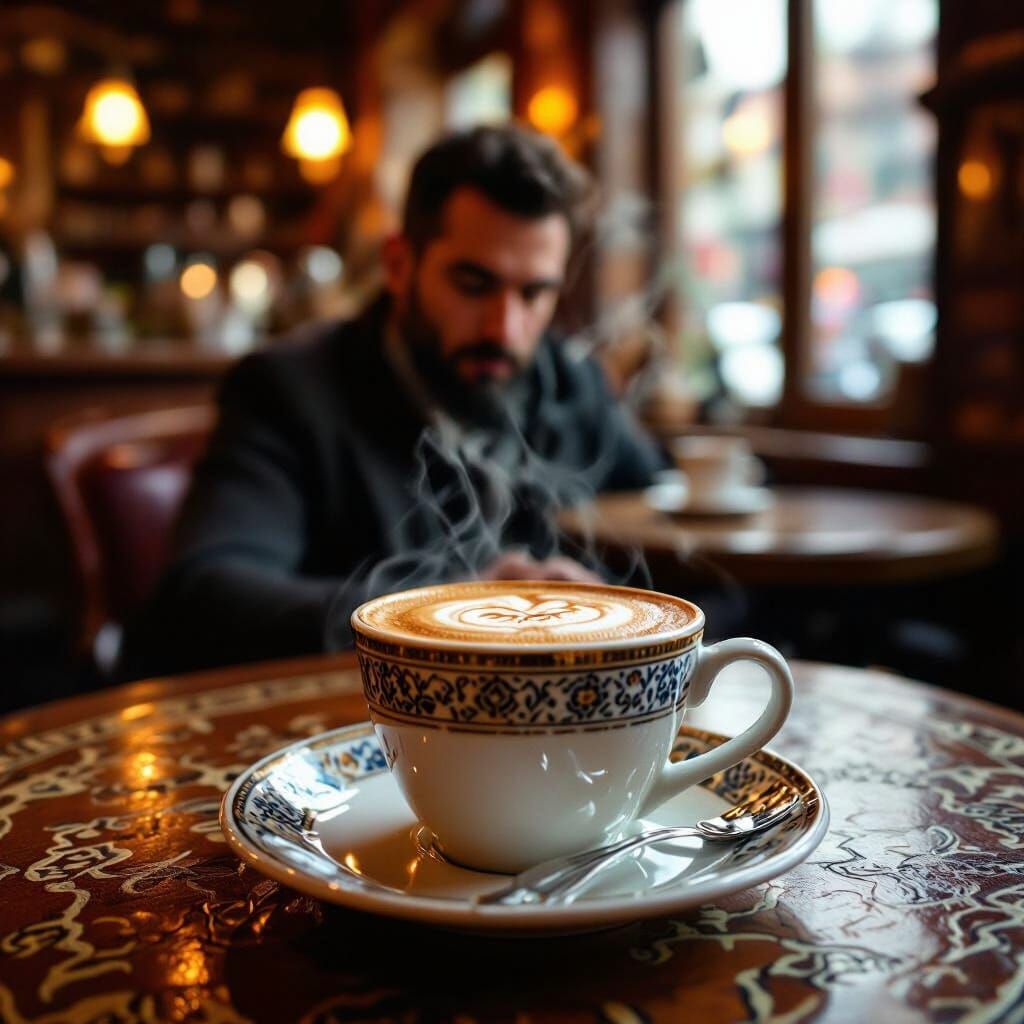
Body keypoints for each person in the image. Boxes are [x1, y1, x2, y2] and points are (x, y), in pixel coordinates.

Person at [118, 124, 667, 679]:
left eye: (534, 293)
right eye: (474, 285)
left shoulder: (573, 386)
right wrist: (446, 610)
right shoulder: (289, 390)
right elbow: (206, 594)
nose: (506, 327)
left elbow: (668, 522)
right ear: (400, 264)